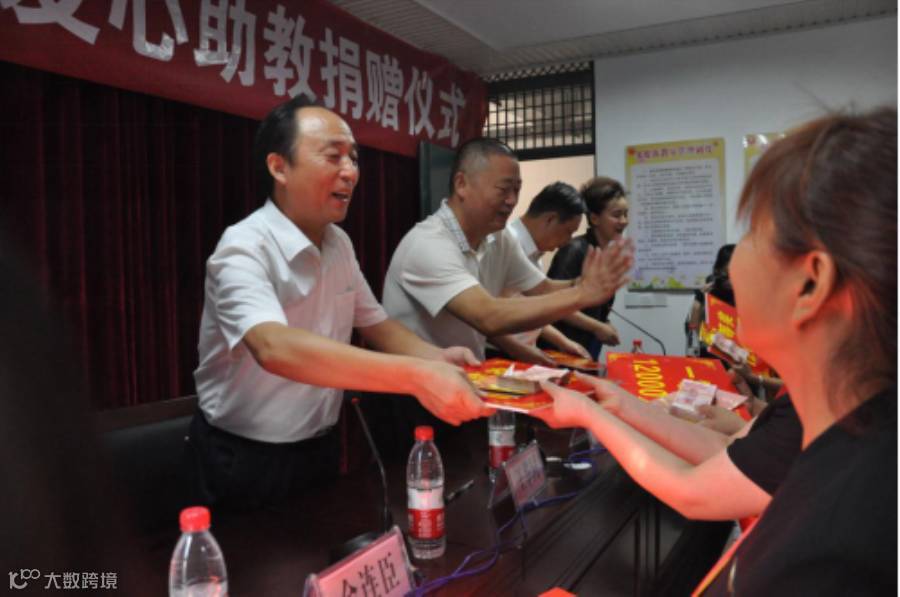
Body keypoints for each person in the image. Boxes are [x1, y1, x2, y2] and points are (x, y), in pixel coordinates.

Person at [541, 107, 897, 595]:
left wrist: (592, 412)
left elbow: (697, 489)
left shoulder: (835, 544)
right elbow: (730, 454)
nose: (730, 265)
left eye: (752, 232)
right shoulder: (849, 423)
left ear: (811, 283)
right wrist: (611, 404)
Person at [190, 97, 491, 509]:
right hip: (241, 458)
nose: (350, 172)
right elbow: (274, 347)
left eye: (353, 158)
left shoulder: (339, 244)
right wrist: (417, 376)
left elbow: (376, 324)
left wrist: (436, 357)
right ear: (279, 167)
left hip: (319, 449)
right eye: (333, 157)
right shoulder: (243, 247)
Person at [382, 138, 634, 362]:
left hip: (464, 375)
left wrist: (581, 283)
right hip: (415, 383)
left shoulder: (498, 237)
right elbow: (488, 316)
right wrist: (581, 294)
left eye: (517, 190)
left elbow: (542, 289)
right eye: (504, 189)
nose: (512, 200)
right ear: (462, 184)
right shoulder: (429, 244)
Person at [489, 181, 600, 365]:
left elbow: (534, 309)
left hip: (520, 354)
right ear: (550, 219)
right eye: (568, 232)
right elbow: (487, 318)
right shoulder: (503, 242)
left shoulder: (535, 253)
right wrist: (524, 353)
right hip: (500, 355)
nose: (567, 241)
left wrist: (563, 342)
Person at [547, 176, 629, 358]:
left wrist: (604, 322)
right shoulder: (574, 250)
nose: (624, 221)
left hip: (585, 348)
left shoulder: (605, 253)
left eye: (626, 214)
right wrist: (597, 327)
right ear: (594, 218)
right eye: (617, 215)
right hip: (561, 350)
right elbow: (553, 305)